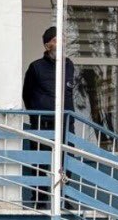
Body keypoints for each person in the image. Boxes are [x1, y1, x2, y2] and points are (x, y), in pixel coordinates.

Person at [21, 25, 77, 208]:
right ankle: (39, 199)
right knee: (40, 163)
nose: (61, 43)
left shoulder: (68, 65)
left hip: (65, 125)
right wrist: (37, 115)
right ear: (47, 45)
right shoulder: (36, 67)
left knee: (66, 162)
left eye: (63, 40)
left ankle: (64, 198)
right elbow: (27, 94)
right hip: (42, 124)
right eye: (55, 40)